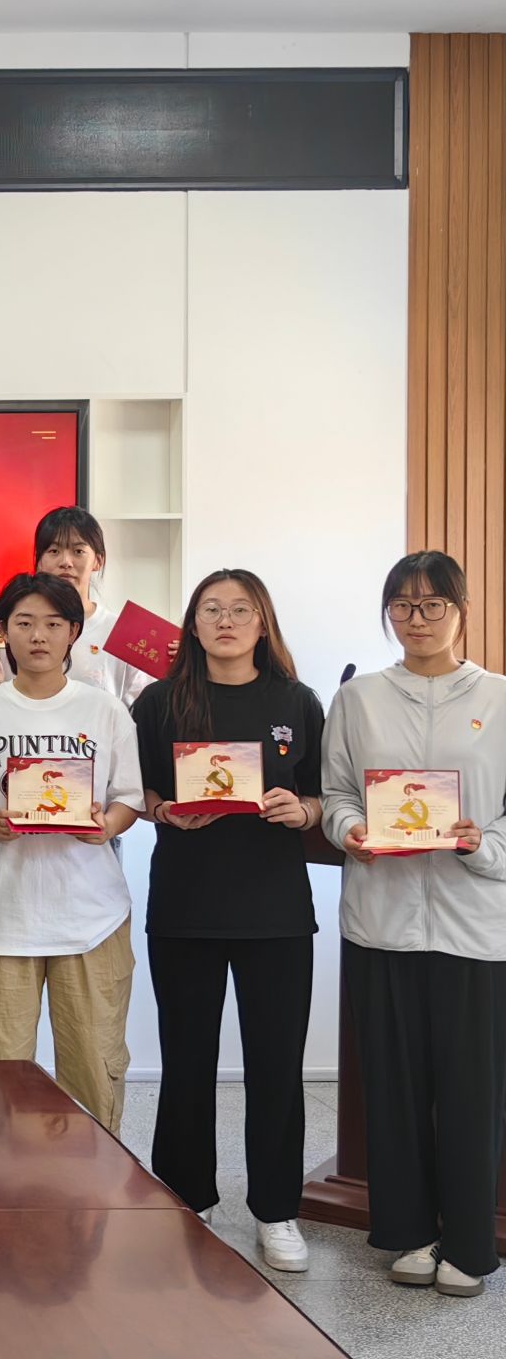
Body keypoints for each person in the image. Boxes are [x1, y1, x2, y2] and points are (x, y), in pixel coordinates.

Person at [321, 550, 506, 1299]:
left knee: (470, 1091)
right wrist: (348, 831)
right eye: (402, 605)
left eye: (433, 605)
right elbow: (337, 793)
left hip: (474, 926)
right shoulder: (360, 698)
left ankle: (468, 1242)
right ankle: (408, 1231)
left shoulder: (498, 698)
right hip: (382, 921)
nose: (417, 619)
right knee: (392, 1088)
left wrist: (481, 845)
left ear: (461, 611)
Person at [132, 569, 323, 1275]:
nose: (226, 621)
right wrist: (162, 810)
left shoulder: (295, 700)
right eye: (211, 609)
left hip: (275, 910)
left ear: (262, 622)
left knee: (276, 1065)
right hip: (186, 905)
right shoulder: (160, 701)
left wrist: (302, 811)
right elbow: (139, 788)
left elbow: (322, 794)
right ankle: (189, 1199)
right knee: (187, 1060)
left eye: (241, 610)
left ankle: (276, 1211)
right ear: (193, 624)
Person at [0, 572, 143, 1132]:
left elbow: (129, 798)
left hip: (92, 917)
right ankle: (1, 1187)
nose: (38, 636)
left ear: (74, 633)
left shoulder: (105, 711)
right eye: (25, 623)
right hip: (0, 917)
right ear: (3, 631)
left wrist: (106, 826)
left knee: (94, 1071)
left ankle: (95, 1181)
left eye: (53, 624)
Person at [0, 507, 155, 707]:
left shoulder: (125, 633)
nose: (66, 562)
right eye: (54, 551)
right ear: (39, 560)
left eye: (78, 551)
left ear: (98, 561)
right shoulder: (8, 625)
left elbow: (143, 706)